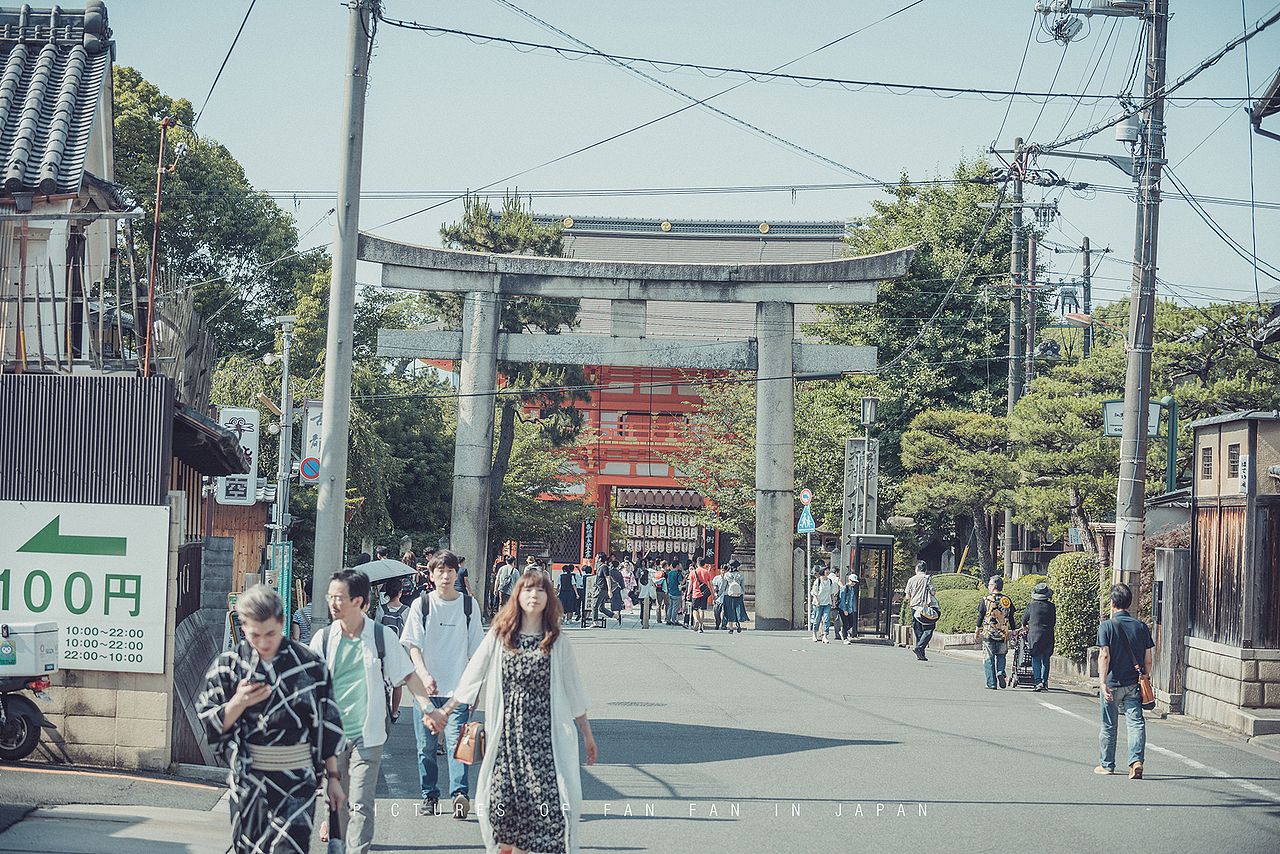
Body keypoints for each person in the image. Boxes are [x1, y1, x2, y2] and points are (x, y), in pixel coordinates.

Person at [425, 570, 597, 854]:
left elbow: (574, 689)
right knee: (501, 813)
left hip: (544, 745)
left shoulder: (557, 641)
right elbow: (472, 675)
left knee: (548, 816)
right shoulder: (500, 635)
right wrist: (445, 710)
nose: (534, 595)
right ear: (517, 595)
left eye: (540, 591)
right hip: (506, 741)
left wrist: (587, 735)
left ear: (548, 598)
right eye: (528, 590)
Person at [198, 585, 345, 854]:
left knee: (290, 848)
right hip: (249, 781)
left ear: (281, 622)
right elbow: (210, 721)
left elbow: (327, 722)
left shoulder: (310, 665)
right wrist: (238, 703)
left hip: (297, 778)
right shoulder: (227, 666)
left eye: (271, 634)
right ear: (243, 626)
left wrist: (333, 777)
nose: (264, 643)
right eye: (255, 635)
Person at [311, 569, 435, 853]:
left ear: (361, 602)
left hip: (369, 734)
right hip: (332, 735)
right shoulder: (323, 639)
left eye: (339, 597)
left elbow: (408, 675)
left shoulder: (381, 637)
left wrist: (428, 707)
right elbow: (308, 684)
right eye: (330, 597)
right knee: (336, 800)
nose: (332, 603)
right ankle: (337, 845)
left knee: (362, 801)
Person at [399, 550, 486, 819]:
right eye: (440, 571)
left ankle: (460, 794)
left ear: (457, 572)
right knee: (426, 747)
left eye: (450, 570)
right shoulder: (421, 605)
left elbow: (478, 654)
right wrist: (424, 674)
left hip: (458, 692)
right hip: (425, 692)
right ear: (431, 574)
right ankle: (429, 796)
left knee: (458, 743)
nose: (446, 576)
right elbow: (413, 645)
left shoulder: (469, 606)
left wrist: (475, 690)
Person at [1096, 582, 1154, 779]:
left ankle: (1107, 765)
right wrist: (1144, 677)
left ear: (1112, 604)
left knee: (1109, 725)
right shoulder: (1141, 626)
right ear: (1130, 604)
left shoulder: (1106, 626)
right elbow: (1148, 659)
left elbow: (1104, 655)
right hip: (1133, 685)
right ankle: (1136, 761)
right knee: (1136, 723)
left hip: (1112, 684)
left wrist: (1102, 682)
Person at [378, 577, 411, 723]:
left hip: (383, 651)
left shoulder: (381, 608)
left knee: (382, 683)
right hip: (399, 652)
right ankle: (394, 711)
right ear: (400, 592)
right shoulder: (406, 610)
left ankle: (383, 709)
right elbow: (409, 634)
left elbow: (376, 628)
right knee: (397, 683)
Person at [976, 575, 1016, 689]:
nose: (988, 587)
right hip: (1002, 634)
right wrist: (1013, 632)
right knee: (1001, 655)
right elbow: (1011, 617)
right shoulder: (1006, 601)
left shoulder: (986, 599)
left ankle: (991, 683)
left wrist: (977, 630)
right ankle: (1000, 672)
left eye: (989, 585)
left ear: (993, 586)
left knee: (988, 658)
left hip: (989, 634)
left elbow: (980, 616)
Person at [1023, 582, 1057, 692]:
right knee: (1045, 660)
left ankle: (1038, 682)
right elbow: (1053, 622)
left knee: (1035, 659)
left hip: (1034, 635)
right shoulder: (1051, 607)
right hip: (1047, 634)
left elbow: (1024, 620)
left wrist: (1025, 626)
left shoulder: (1031, 605)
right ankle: (1045, 682)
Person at [904, 561, 938, 661]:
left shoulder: (911, 579)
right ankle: (919, 649)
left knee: (918, 631)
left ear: (917, 569)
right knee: (928, 629)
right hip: (925, 609)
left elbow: (907, 597)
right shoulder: (928, 578)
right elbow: (933, 592)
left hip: (914, 609)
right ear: (926, 570)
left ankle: (921, 653)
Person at [688, 558, 715, 633]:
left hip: (695, 593)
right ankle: (700, 627)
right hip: (704, 594)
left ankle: (696, 620)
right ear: (704, 564)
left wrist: (688, 593)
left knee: (694, 609)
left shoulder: (693, 572)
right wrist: (713, 594)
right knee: (702, 610)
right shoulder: (707, 572)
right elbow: (711, 584)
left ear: (697, 563)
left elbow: (690, 584)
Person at [809, 567, 835, 643]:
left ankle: (825, 636)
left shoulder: (830, 581)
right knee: (817, 620)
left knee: (826, 619)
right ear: (822, 571)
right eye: (826, 570)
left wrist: (833, 602)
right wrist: (816, 601)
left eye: (828, 570)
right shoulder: (818, 581)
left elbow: (832, 593)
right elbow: (814, 593)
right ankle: (814, 634)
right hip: (818, 603)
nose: (827, 571)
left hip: (827, 603)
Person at [721, 560, 746, 634]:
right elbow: (742, 586)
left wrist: (718, 595)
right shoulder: (740, 575)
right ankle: (738, 623)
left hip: (728, 595)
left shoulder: (726, 575)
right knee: (738, 610)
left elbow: (723, 586)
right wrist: (743, 595)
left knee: (729, 611)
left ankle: (731, 628)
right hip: (738, 595)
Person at [836, 571, 859, 644]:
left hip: (849, 609)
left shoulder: (852, 589)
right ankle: (845, 638)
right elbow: (842, 600)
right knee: (845, 623)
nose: (853, 583)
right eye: (852, 581)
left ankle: (843, 631)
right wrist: (844, 610)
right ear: (849, 580)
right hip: (843, 608)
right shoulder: (844, 588)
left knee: (851, 623)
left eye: (855, 582)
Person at [663, 560, 682, 625]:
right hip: (676, 592)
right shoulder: (678, 573)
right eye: (679, 565)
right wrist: (685, 578)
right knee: (675, 607)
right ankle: (673, 620)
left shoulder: (670, 572)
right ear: (677, 565)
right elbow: (681, 582)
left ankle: (668, 620)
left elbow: (668, 581)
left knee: (670, 606)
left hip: (670, 592)